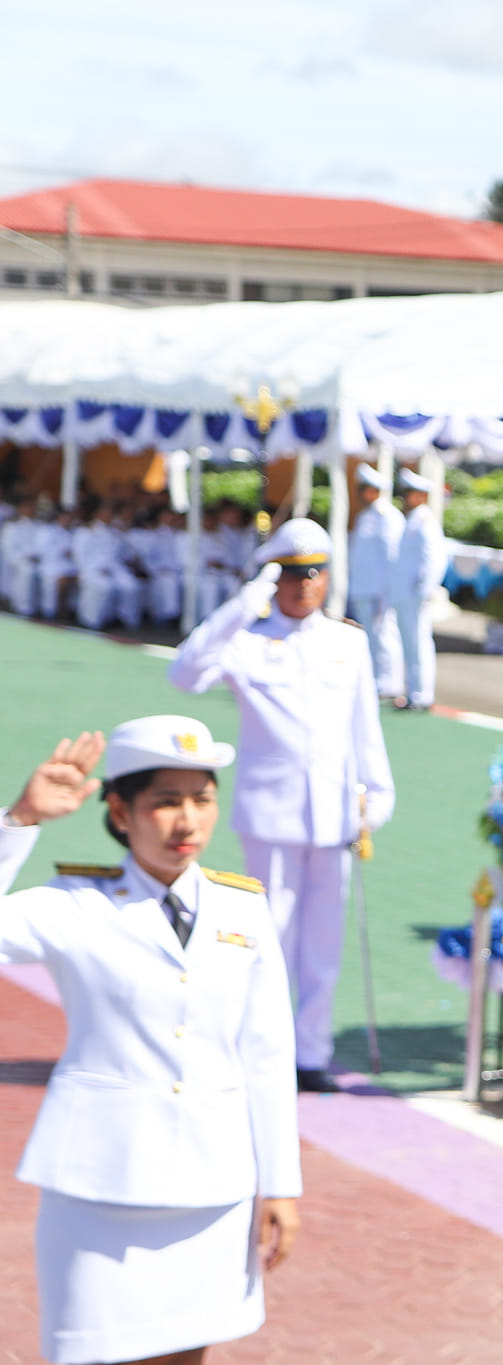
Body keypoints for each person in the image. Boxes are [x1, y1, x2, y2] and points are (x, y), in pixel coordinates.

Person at [0, 718, 300, 1364]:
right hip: (98, 1188)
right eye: (166, 801)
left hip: (211, 1187)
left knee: (185, 1356)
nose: (187, 820)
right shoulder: (75, 903)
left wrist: (280, 1183)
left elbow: (268, 1055)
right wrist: (18, 821)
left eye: (202, 798)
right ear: (119, 810)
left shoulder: (244, 911)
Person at [168, 518, 394, 1092]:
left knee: (322, 945)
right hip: (271, 817)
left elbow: (365, 729)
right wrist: (242, 604)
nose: (303, 585)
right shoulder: (245, 642)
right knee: (268, 940)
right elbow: (185, 673)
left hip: (335, 817)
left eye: (313, 573)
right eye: (291, 575)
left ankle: (311, 1054)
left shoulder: (348, 642)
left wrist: (377, 797)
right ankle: (258, 1050)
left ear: (327, 578)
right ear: (274, 580)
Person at [346, 465, 405, 699]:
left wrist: (387, 592)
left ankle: (390, 682)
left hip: (380, 589)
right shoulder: (365, 516)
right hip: (363, 587)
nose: (362, 494)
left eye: (366, 489)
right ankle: (375, 678)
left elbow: (392, 557)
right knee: (370, 636)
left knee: (385, 635)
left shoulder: (388, 517)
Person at [391, 468, 446, 711]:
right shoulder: (412, 519)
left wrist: (424, 590)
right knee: (409, 644)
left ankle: (422, 694)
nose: (406, 498)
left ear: (422, 496)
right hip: (406, 593)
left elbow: (434, 559)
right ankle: (413, 691)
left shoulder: (425, 521)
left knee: (418, 643)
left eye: (411, 493)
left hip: (416, 594)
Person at [74, 501, 143, 632]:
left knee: (131, 586)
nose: (109, 515)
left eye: (111, 513)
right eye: (106, 512)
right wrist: (89, 570)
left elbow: (124, 554)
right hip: (93, 568)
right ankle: (92, 620)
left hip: (115, 568)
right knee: (103, 586)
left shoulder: (116, 532)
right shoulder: (86, 531)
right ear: (97, 514)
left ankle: (124, 618)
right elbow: (81, 555)